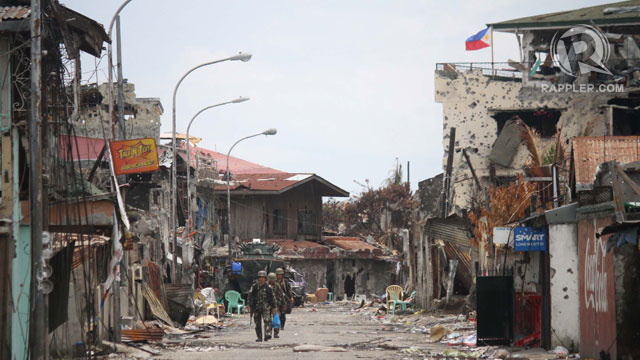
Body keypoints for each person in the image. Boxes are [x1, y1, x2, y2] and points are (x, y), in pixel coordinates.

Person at [247, 270, 276, 342]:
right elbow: (250, 296)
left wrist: (275, 307)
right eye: (260, 277)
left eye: (262, 277)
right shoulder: (254, 287)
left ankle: (267, 334)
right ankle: (259, 337)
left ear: (265, 278)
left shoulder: (268, 287)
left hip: (266, 307)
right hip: (256, 307)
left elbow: (273, 297)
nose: (261, 279)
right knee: (257, 323)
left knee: (267, 321)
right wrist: (248, 305)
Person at [268, 272, 286, 338]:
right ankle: (269, 332)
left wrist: (284, 303)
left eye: (273, 280)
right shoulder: (266, 285)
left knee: (276, 318)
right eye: (271, 280)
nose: (272, 281)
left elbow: (281, 295)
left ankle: (276, 333)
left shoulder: (277, 285)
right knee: (268, 319)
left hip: (276, 305)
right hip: (268, 305)